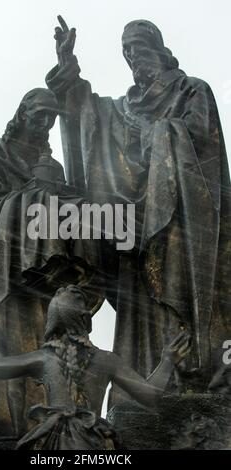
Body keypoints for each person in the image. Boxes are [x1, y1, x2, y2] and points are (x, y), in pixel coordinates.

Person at [45, 16, 231, 397]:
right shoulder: (124, 106)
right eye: (126, 50)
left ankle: (195, 371)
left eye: (138, 46)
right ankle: (145, 385)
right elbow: (89, 118)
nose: (132, 55)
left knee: (178, 286)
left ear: (158, 47)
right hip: (133, 222)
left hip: (182, 217)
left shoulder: (191, 90)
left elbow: (203, 151)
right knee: (139, 303)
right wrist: (68, 72)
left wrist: (160, 136)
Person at [0, 88, 102, 436]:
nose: (44, 123)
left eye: (51, 117)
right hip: (3, 271)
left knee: (44, 347)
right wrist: (36, 194)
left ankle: (48, 423)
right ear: (22, 114)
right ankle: (6, 425)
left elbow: (63, 213)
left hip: (43, 279)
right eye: (39, 115)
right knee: (7, 353)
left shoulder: (54, 166)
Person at [0, 284, 191, 450]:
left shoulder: (45, 357)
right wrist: (167, 362)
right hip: (92, 439)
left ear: (52, 322)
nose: (64, 290)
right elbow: (150, 395)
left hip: (50, 439)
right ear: (86, 320)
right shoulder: (106, 359)